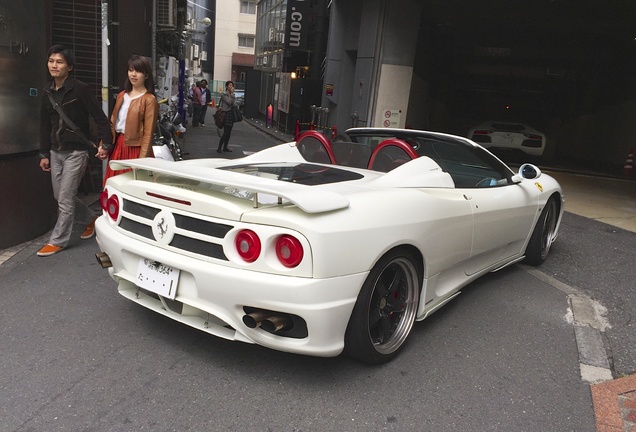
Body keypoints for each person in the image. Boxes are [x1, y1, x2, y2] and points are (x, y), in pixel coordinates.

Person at [37, 44, 113, 257]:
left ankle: (58, 240)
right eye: (51, 61)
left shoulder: (79, 89)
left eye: (59, 62)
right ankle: (91, 219)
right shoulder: (47, 91)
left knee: (65, 198)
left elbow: (100, 118)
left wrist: (105, 143)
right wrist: (44, 153)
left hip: (76, 152)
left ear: (69, 67)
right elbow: (45, 125)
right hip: (55, 151)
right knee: (60, 195)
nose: (54, 65)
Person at [102, 55, 159, 184]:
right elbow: (113, 122)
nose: (133, 74)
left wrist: (142, 159)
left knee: (132, 186)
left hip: (136, 149)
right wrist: (103, 144)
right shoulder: (122, 95)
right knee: (114, 185)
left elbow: (148, 133)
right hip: (118, 145)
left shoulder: (149, 100)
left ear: (146, 75)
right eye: (131, 70)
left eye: (138, 71)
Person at [217, 80, 238, 153]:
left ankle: (225, 147)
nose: (231, 87)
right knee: (226, 131)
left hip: (231, 113)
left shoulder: (232, 95)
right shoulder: (224, 94)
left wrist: (232, 97)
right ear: (226, 86)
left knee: (229, 132)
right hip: (225, 113)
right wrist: (232, 96)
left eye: (232, 85)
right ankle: (219, 147)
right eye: (229, 85)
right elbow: (229, 102)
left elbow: (234, 104)